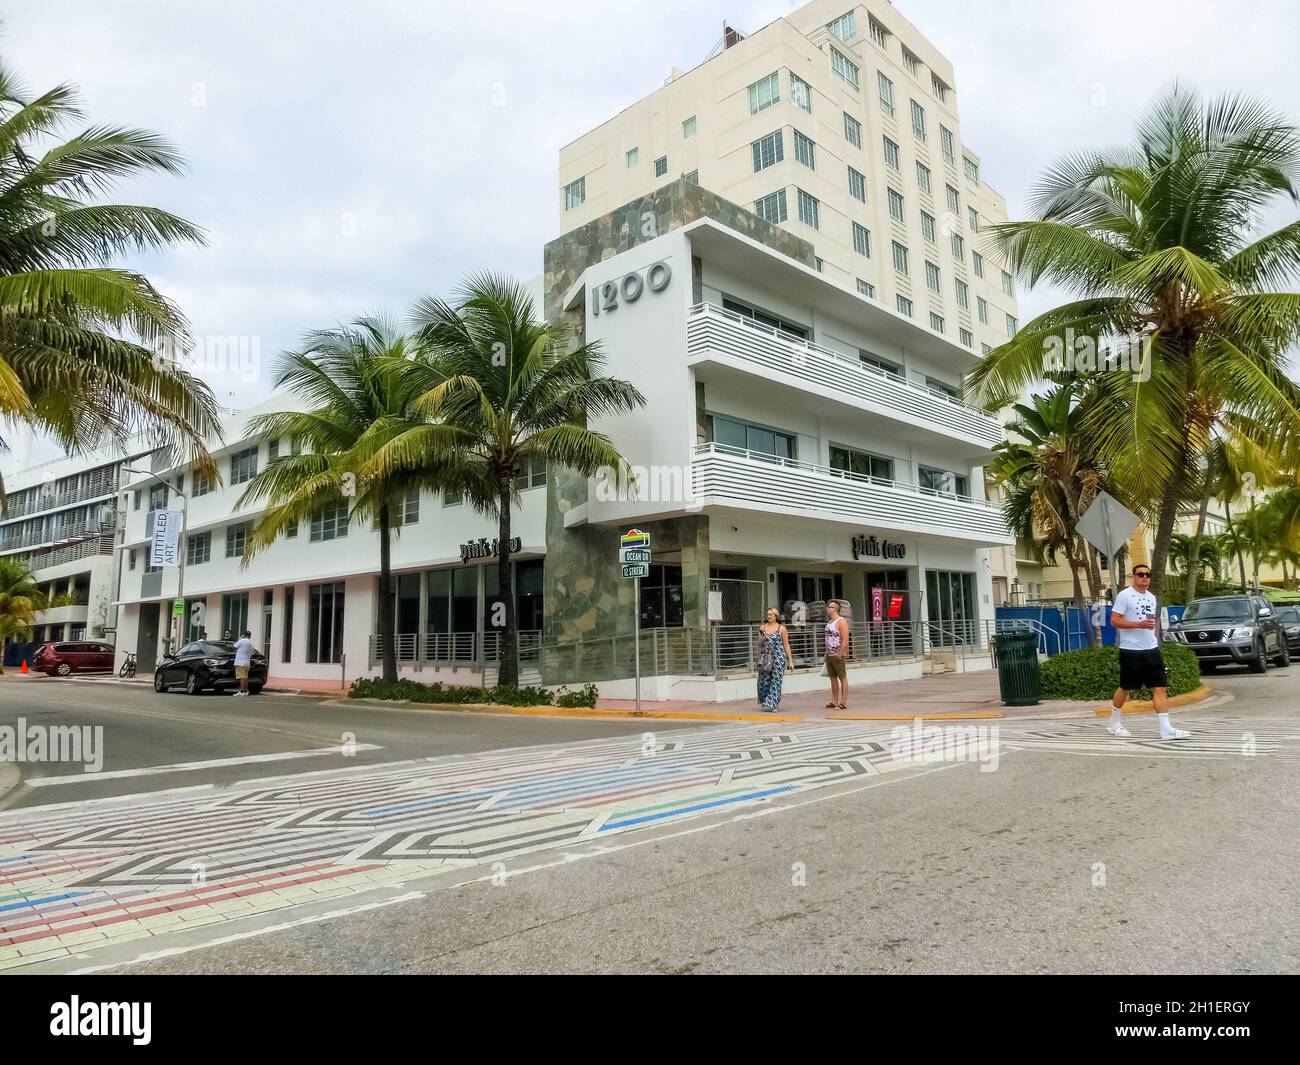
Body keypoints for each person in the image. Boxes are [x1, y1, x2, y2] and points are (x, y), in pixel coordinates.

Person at [1107, 566, 1188, 739]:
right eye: (1141, 574)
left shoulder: (1151, 598)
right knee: (1125, 687)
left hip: (1151, 649)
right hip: (1131, 650)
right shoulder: (1125, 595)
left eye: (1148, 575)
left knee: (1160, 687)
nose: (1145, 578)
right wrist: (1138, 625)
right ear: (1134, 576)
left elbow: (1150, 622)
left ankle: (1166, 729)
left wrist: (1155, 636)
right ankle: (1114, 723)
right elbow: (1114, 620)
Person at [756, 608, 794, 712]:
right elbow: (759, 643)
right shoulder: (762, 627)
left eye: (771, 614)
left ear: (776, 616)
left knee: (776, 680)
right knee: (763, 680)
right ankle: (765, 701)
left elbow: (786, 645)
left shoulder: (781, 628)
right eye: (767, 614)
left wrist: (790, 660)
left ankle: (773, 703)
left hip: (778, 657)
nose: (768, 616)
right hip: (766, 657)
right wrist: (762, 637)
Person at [824, 599, 850, 710]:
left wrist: (840, 653)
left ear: (834, 609)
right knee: (832, 678)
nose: (827, 609)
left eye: (829, 607)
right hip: (829, 654)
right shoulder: (829, 622)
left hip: (837, 654)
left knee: (842, 677)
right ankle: (834, 700)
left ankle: (843, 702)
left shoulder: (841, 621)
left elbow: (845, 639)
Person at [232, 629, 256, 697]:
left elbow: (234, 646)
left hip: (240, 662)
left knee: (241, 677)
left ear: (244, 635)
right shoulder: (251, 643)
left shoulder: (242, 641)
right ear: (250, 636)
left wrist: (239, 638)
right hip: (247, 662)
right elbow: (252, 652)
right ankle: (246, 691)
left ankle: (241, 691)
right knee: (245, 677)